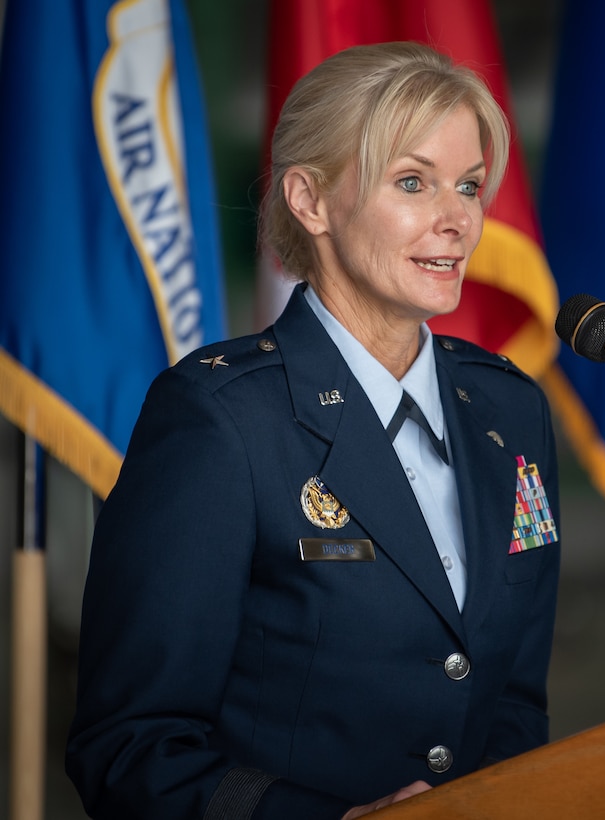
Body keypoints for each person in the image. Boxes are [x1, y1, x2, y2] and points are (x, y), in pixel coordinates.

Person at [66, 41, 561, 819]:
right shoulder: (220, 418)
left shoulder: (509, 408)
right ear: (309, 200)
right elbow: (129, 746)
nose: (457, 218)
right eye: (412, 182)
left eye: (467, 186)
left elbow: (516, 707)